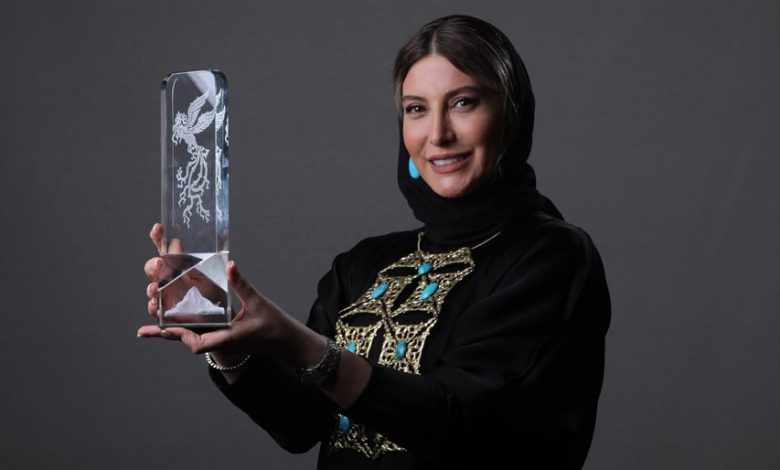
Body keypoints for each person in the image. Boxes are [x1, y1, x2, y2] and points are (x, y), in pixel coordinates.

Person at [139, 14, 610, 469]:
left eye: (464, 102)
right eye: (416, 109)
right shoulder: (364, 264)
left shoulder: (551, 256)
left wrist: (304, 347)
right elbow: (301, 424)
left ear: (511, 115)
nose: (438, 134)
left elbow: (462, 422)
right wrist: (227, 340)